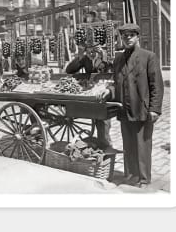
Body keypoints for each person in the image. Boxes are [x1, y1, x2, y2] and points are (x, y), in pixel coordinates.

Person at [98, 23, 164, 188]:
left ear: (137, 36)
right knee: (128, 145)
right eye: (125, 36)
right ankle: (131, 176)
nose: (128, 38)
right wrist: (109, 90)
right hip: (124, 109)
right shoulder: (119, 59)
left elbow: (157, 85)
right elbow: (117, 81)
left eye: (131, 35)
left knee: (142, 146)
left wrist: (155, 109)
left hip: (141, 109)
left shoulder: (149, 57)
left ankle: (143, 179)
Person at [65, 41, 114, 152]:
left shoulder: (105, 56)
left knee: (103, 120)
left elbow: (112, 68)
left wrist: (104, 56)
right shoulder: (85, 58)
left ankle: (106, 146)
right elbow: (69, 70)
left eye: (94, 51)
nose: (91, 54)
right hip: (90, 92)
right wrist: (80, 57)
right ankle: (99, 146)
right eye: (89, 51)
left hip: (104, 91)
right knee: (95, 117)